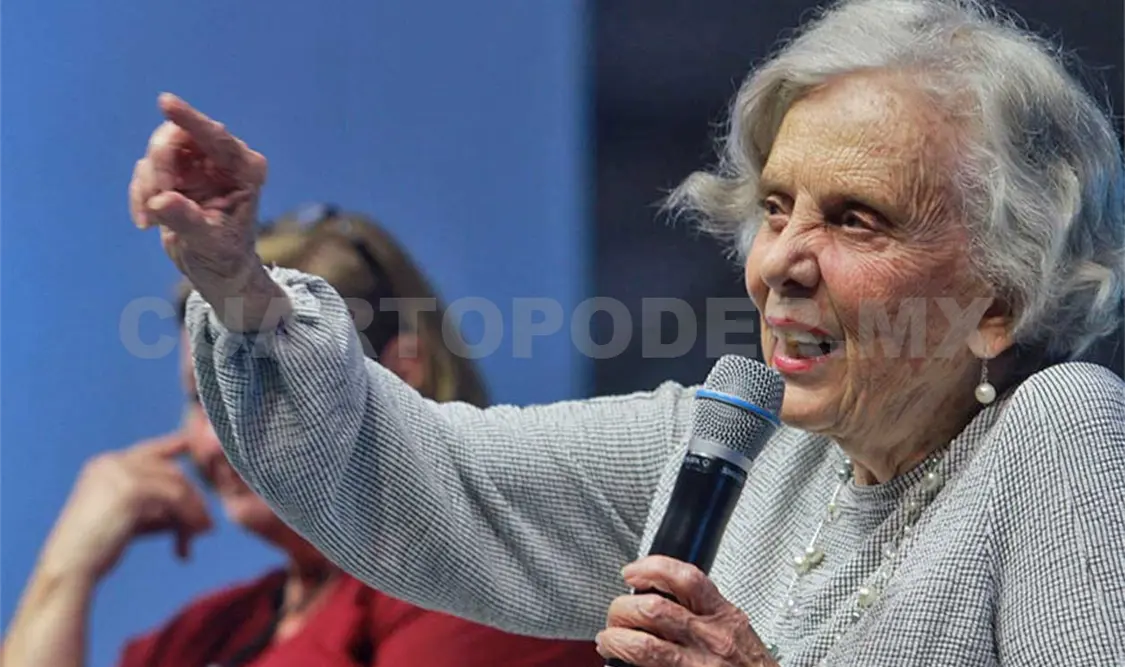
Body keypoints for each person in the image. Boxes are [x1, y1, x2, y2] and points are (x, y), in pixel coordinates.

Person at [127, 0, 1125, 664]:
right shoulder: (737, 448)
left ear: (999, 299)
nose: (781, 259)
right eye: (777, 207)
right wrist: (236, 280)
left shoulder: (1059, 432)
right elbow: (428, 473)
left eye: (855, 217)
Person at [1, 206, 604, 667]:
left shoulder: (483, 585)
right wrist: (65, 570)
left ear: (401, 373)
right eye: (201, 396)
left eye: (265, 388)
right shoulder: (204, 634)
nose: (216, 442)